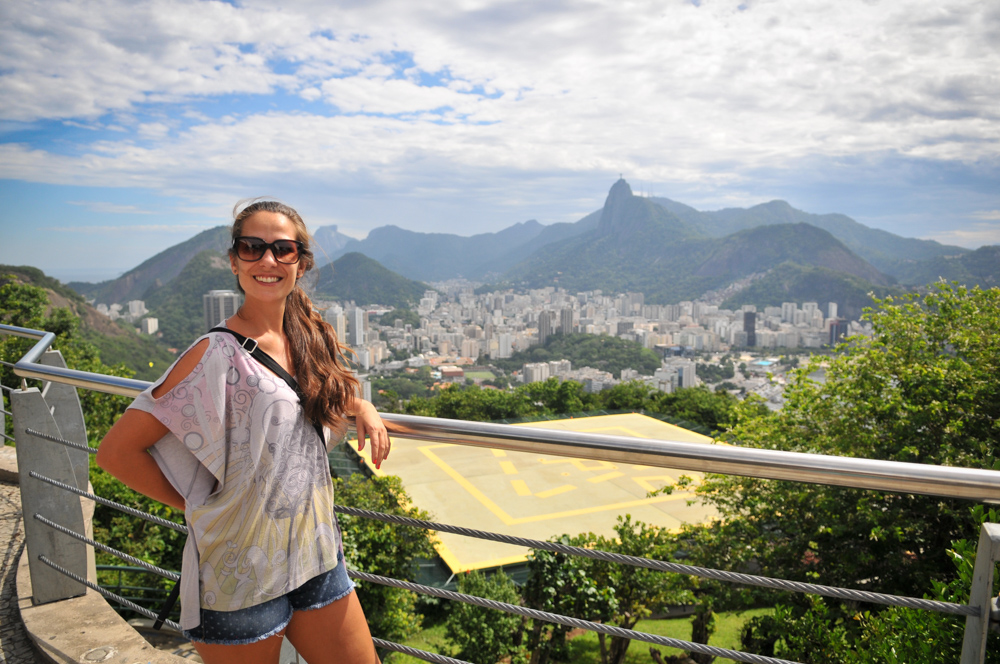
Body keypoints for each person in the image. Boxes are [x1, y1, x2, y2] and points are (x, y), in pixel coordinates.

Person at [97, 199, 390, 664]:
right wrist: (202, 507)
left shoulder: (305, 338)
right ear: (234, 261)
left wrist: (363, 405)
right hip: (239, 575)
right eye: (252, 248)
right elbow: (116, 452)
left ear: (301, 262)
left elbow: (305, 402)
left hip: (316, 557)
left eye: (282, 249)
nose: (267, 260)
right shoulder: (214, 353)